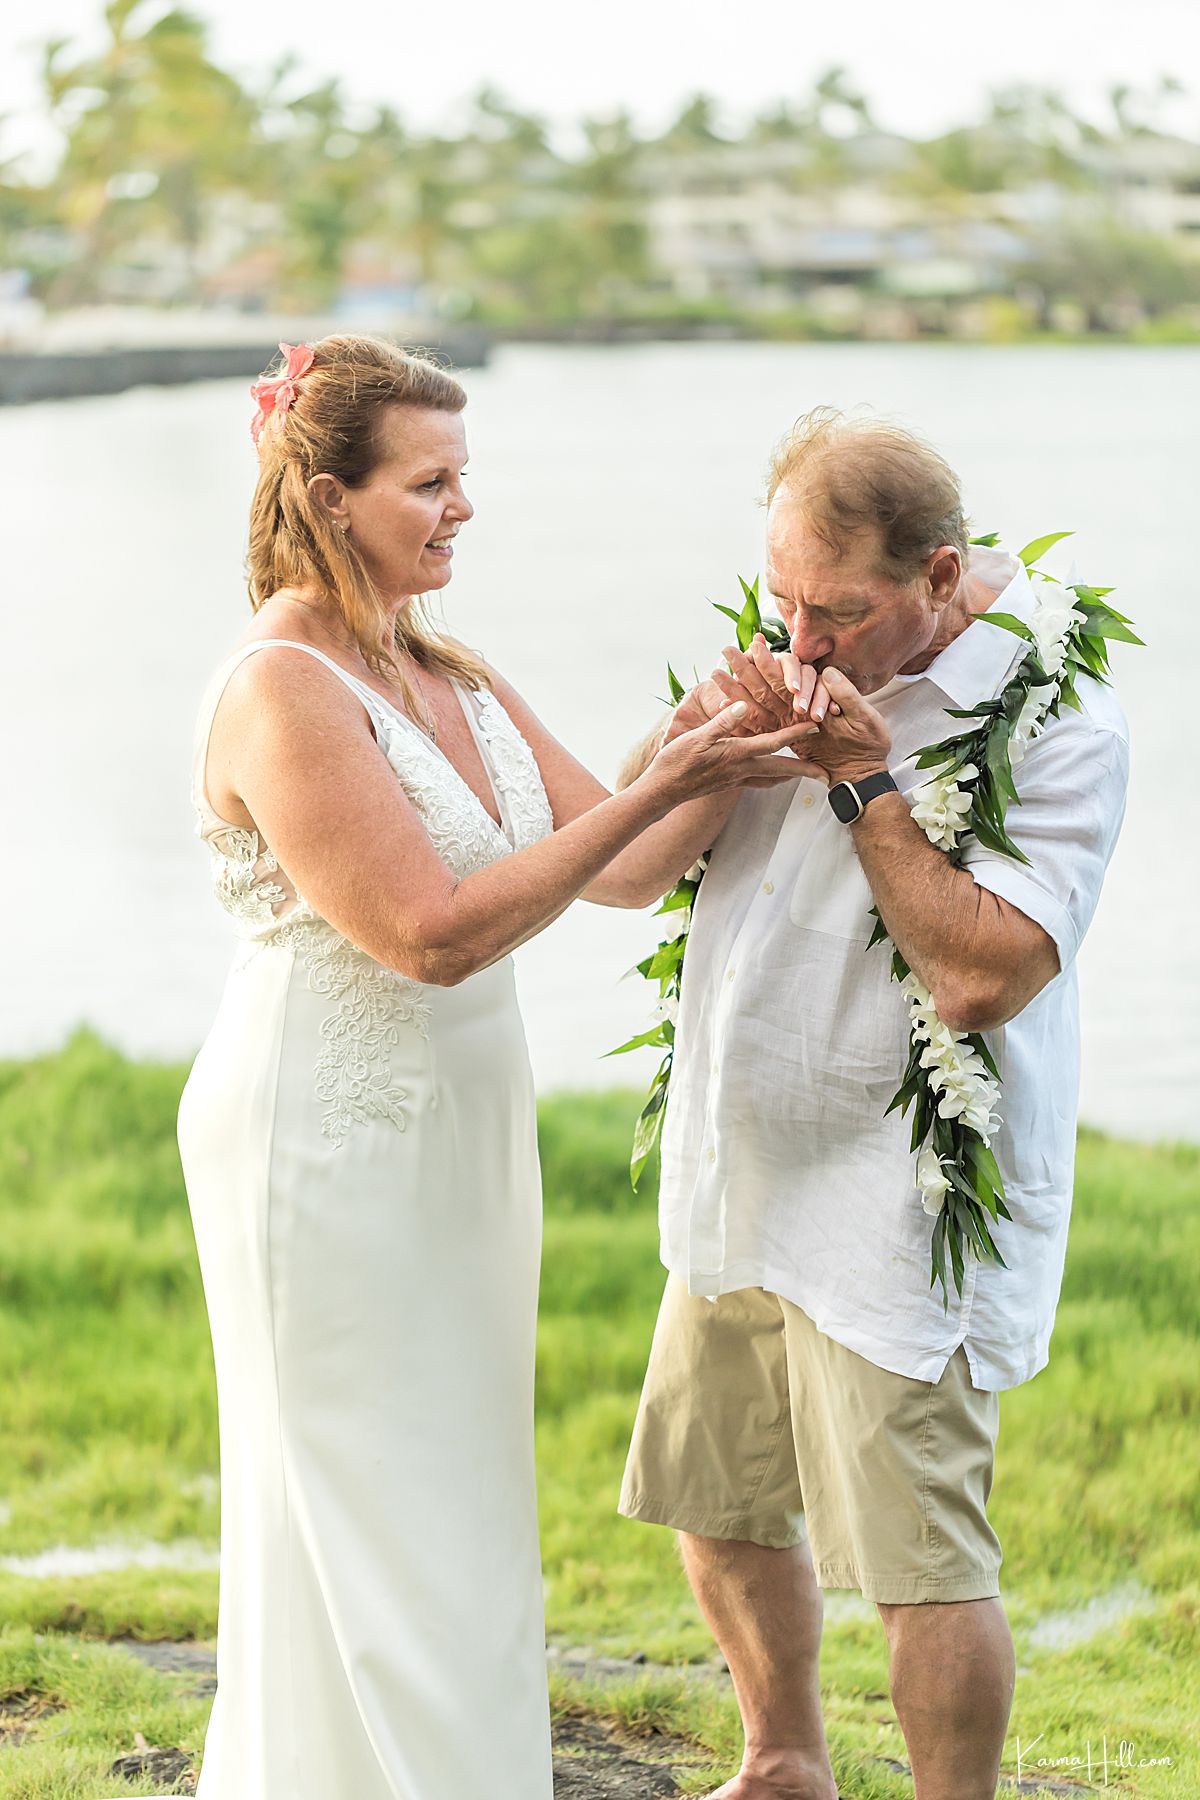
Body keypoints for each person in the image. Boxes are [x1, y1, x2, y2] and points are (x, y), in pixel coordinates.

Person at [172, 335, 815, 1800]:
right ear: (331, 497)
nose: (463, 509)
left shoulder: (438, 663)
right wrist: (670, 774)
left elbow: (630, 867)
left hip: (461, 1134)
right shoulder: (284, 686)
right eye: (432, 483)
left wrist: (725, 745)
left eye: (466, 478)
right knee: (357, 1497)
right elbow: (433, 936)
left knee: (454, 1488)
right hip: (324, 1137)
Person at [615, 410, 1130, 1800]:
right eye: (784, 597)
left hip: (900, 1203)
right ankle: (782, 1759)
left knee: (920, 1566)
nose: (804, 635)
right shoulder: (786, 660)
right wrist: (698, 755)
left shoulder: (1056, 716)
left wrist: (860, 782)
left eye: (836, 609)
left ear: (944, 577)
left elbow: (981, 976)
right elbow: (611, 876)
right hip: (743, 1167)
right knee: (714, 1501)